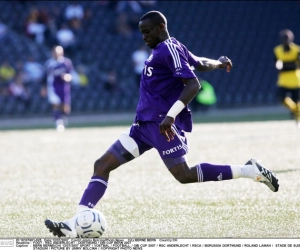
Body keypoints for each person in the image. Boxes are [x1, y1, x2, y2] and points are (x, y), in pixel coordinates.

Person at [45, 10, 279, 237]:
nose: (144, 37)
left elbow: (193, 84)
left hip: (160, 125)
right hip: (142, 127)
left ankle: (250, 170)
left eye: (147, 32)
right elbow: (199, 62)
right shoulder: (168, 48)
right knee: (102, 165)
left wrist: (171, 116)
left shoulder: (168, 49)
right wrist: (217, 63)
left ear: (161, 27)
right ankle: (74, 223)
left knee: (184, 175)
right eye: (141, 33)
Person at [41, 45, 74, 132]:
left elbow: (71, 74)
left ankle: (64, 118)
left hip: (64, 87)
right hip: (53, 87)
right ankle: (58, 122)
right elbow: (44, 77)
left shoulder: (66, 62)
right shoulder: (49, 63)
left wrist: (68, 77)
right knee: (55, 104)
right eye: (55, 52)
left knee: (65, 106)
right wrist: (44, 88)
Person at [273, 29, 300, 128]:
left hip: (296, 80)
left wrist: (285, 66)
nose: (286, 41)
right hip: (284, 80)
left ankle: (298, 119)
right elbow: (277, 64)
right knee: (281, 98)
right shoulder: (277, 50)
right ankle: (295, 111)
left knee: (297, 101)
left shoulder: (297, 50)